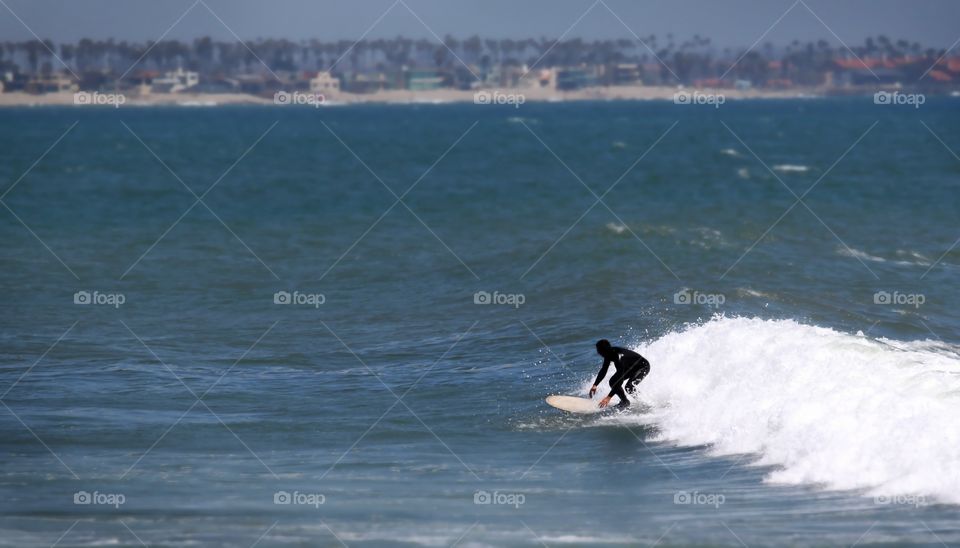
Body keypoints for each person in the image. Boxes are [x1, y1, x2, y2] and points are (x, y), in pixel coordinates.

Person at [589, 339, 650, 408]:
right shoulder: (609, 353)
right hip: (632, 367)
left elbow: (620, 380)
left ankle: (644, 403)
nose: (598, 353)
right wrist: (595, 385)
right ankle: (625, 401)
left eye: (598, 351)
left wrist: (608, 397)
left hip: (643, 367)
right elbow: (604, 370)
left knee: (628, 387)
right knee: (613, 381)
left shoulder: (618, 357)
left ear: (602, 351)